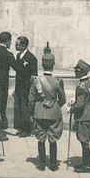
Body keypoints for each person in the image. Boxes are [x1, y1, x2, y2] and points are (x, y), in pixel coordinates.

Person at [28, 43, 64, 171]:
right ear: (53, 65)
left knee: (41, 138)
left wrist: (32, 112)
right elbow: (63, 99)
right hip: (54, 113)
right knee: (53, 139)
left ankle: (42, 164)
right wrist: (54, 107)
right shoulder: (58, 81)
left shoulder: (36, 81)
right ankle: (53, 165)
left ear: (42, 65)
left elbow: (31, 99)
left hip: (39, 113)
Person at [70, 60, 90, 174]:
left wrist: (71, 109)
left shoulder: (81, 86)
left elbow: (80, 105)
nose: (75, 71)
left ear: (82, 71)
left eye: (77, 69)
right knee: (85, 140)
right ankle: (85, 163)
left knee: (84, 141)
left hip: (84, 116)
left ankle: (87, 166)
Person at [0, 32, 17, 134]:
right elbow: (15, 67)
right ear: (7, 41)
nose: (11, 43)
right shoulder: (8, 54)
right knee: (2, 106)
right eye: (10, 41)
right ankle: (0, 129)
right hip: (3, 84)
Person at [12, 36, 37, 137]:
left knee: (25, 109)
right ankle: (22, 128)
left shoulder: (31, 58)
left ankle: (27, 130)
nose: (15, 46)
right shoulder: (18, 56)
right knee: (20, 109)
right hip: (19, 87)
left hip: (26, 88)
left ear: (24, 46)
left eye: (17, 44)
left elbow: (34, 75)